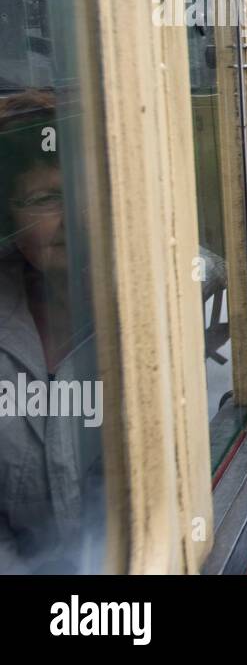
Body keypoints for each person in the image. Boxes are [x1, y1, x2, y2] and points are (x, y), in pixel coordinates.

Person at [0, 89, 102, 572]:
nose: (72, 221)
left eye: (84, 194)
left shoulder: (179, 312)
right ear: (8, 221)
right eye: (45, 199)